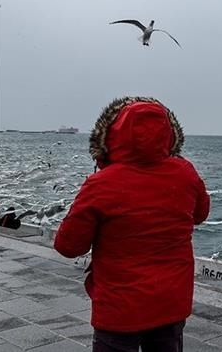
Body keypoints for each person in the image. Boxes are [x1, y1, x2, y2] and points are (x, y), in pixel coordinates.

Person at [54, 96, 210, 352]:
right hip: (171, 301)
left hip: (119, 307)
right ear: (169, 133)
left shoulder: (101, 184)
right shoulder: (185, 172)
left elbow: (69, 246)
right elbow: (200, 214)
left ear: (112, 134)